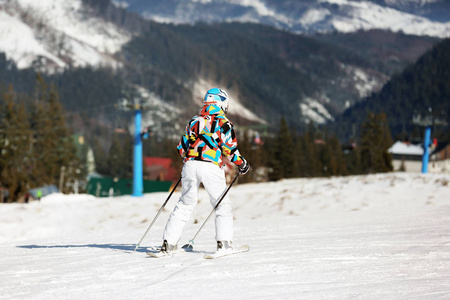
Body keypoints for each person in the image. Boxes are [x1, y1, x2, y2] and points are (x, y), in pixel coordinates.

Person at [160, 88, 250, 254]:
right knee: (221, 204)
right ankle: (224, 244)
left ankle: (168, 244)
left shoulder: (194, 121)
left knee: (185, 204)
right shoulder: (224, 123)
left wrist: (192, 157)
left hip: (190, 165)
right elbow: (230, 150)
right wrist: (242, 163)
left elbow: (181, 148)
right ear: (222, 103)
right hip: (210, 166)